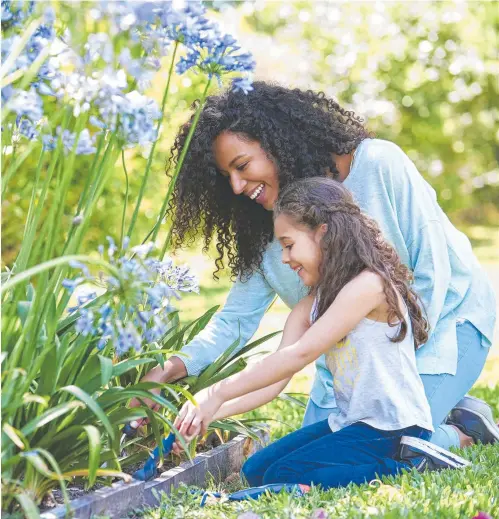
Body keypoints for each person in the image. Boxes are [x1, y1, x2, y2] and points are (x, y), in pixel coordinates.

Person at [130, 82, 498, 451]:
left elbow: (434, 272)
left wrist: (399, 378)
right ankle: (447, 409)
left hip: (447, 324)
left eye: (242, 166)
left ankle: (464, 432)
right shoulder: (265, 232)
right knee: (314, 451)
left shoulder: (378, 164)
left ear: (278, 142)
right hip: (353, 362)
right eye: (228, 178)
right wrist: (167, 371)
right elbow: (233, 323)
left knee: (393, 443)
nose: (238, 186)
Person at [172, 178, 469, 488]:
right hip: (351, 423)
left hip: (393, 428)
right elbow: (276, 378)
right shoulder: (311, 304)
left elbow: (300, 354)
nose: (285, 258)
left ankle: (414, 465)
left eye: (289, 245)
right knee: (256, 470)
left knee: (282, 476)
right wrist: (210, 413)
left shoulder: (370, 286)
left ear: (322, 232)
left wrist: (216, 392)